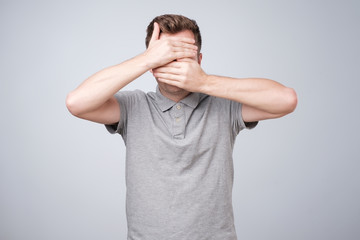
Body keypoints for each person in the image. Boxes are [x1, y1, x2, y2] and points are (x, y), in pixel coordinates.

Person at [66, 14, 297, 240]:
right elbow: (77, 103)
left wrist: (204, 82)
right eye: (166, 56)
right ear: (152, 65)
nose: (174, 65)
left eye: (182, 57)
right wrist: (146, 58)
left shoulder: (224, 105)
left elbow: (286, 100)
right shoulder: (133, 106)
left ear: (199, 61)